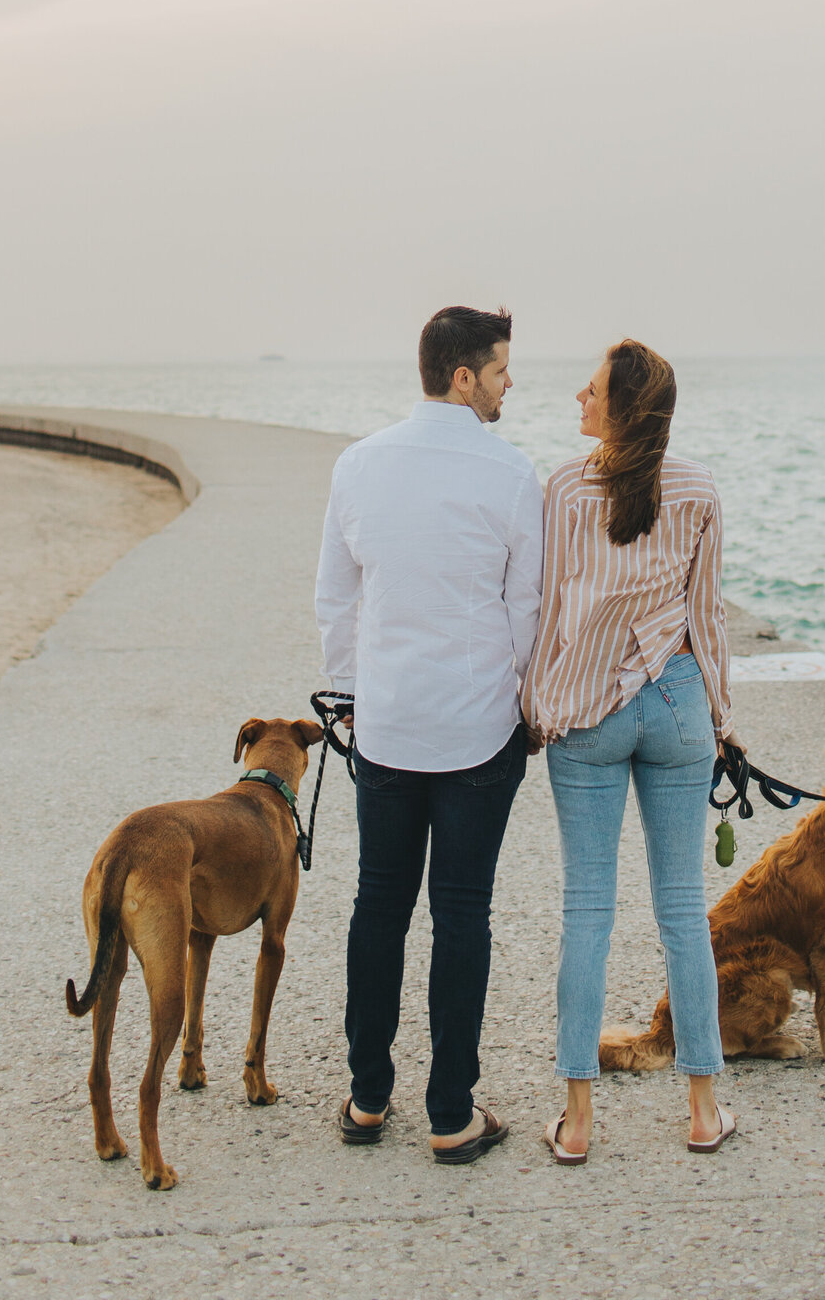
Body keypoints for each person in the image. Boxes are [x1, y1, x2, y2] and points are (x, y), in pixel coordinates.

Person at [315, 304, 543, 1160]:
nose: (508, 382)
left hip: (386, 723)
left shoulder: (357, 464)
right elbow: (525, 608)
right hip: (480, 728)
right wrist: (523, 705)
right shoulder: (513, 474)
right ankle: (451, 1114)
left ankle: (368, 1100)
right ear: (462, 376)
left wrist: (346, 694)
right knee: (462, 914)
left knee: (379, 904)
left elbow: (336, 596)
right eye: (500, 369)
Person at [522, 338, 737, 1161]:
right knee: (683, 911)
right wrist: (722, 718)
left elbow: (549, 614)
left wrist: (539, 707)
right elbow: (707, 617)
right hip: (678, 701)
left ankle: (577, 1123)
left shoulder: (567, 490)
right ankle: (703, 1110)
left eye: (594, 387)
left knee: (588, 912)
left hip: (589, 714)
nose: (579, 394)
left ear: (623, 408)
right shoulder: (699, 489)